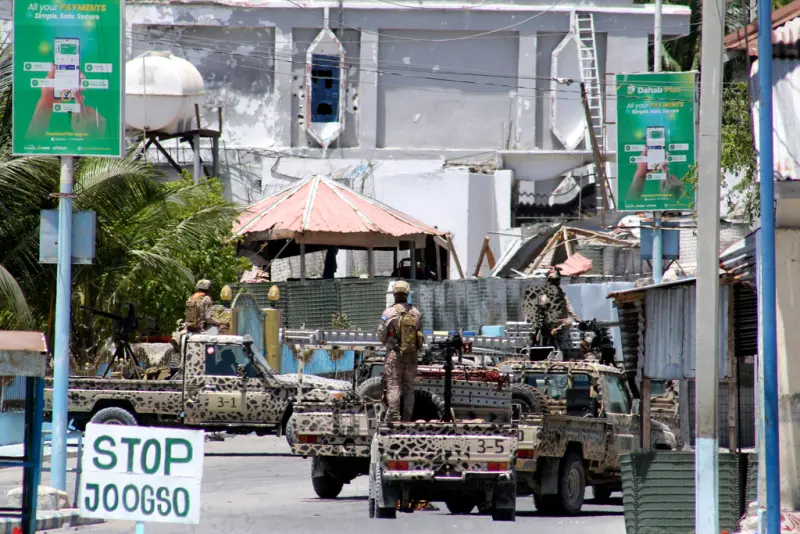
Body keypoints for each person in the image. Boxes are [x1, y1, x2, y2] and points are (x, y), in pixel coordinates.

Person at [377, 280, 423, 422]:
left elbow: (381, 335)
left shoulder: (388, 313)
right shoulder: (416, 313)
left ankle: (394, 417)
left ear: (395, 294)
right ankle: (408, 418)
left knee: (393, 385)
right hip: (412, 355)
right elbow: (420, 334)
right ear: (407, 293)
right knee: (409, 387)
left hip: (394, 355)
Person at [547, 267, 580, 338]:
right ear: (550, 282)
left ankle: (556, 330)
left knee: (569, 322)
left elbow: (568, 307)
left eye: (557, 281)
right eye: (554, 281)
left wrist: (576, 318)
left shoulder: (562, 294)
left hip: (562, 320)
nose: (556, 283)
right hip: (551, 320)